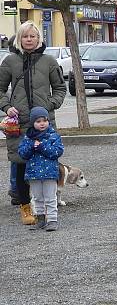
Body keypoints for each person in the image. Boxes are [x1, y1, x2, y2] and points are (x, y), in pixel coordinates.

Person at [0, 21, 66, 225]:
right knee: (20, 165)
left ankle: (47, 206)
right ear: (19, 39)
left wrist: (49, 105)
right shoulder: (10, 61)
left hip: (43, 123)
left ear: (39, 39)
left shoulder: (49, 61)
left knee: (46, 164)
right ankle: (25, 207)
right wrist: (6, 106)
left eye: (33, 36)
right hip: (18, 123)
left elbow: (60, 88)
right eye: (25, 36)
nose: (29, 39)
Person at [18, 106, 63, 231]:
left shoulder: (53, 136)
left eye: (44, 120)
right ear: (33, 123)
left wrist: (42, 147)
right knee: (37, 198)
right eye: (38, 121)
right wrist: (32, 147)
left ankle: (52, 220)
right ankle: (40, 219)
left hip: (50, 173)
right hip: (33, 174)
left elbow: (57, 152)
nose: (42, 124)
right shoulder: (28, 138)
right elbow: (22, 154)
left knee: (50, 197)